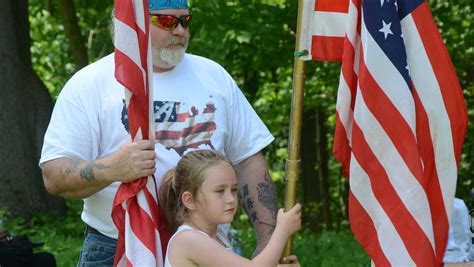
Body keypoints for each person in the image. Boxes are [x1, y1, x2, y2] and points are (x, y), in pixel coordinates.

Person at [39, 0, 279, 265]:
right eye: (165, 21)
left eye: (184, 21)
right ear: (134, 24)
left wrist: (268, 242)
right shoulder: (89, 84)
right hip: (115, 247)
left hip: (210, 245)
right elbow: (54, 175)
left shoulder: (214, 76)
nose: (179, 31)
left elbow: (247, 160)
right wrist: (112, 169)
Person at [159, 149, 301, 266]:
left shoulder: (219, 238)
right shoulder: (187, 239)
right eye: (220, 191)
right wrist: (282, 230)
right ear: (189, 200)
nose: (231, 199)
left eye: (233, 190)